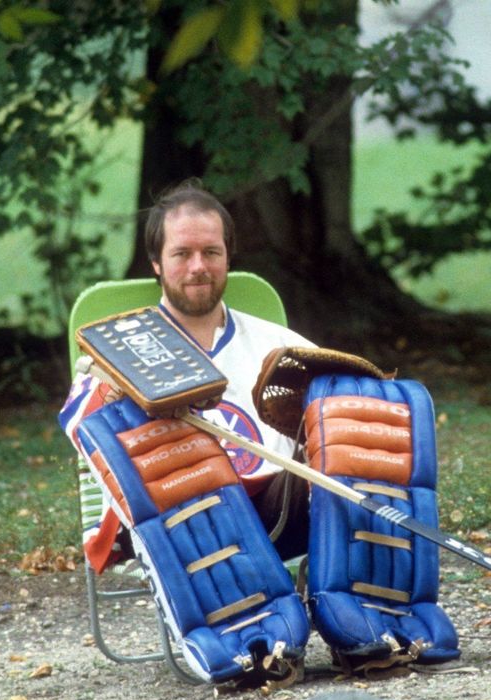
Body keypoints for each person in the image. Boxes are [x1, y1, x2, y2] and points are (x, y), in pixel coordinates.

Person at [60, 180, 316, 573]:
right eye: (182, 253)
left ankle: (358, 614)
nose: (198, 267)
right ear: (157, 263)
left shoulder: (280, 346)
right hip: (174, 526)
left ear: (228, 257)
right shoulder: (119, 349)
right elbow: (81, 428)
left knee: (345, 445)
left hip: (272, 518)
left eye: (211, 252)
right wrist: (116, 397)